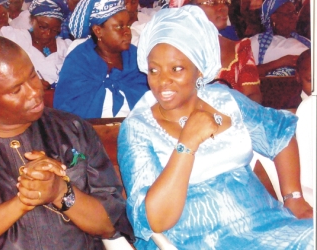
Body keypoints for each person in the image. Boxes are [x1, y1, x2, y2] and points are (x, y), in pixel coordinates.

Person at [117, 6, 313, 249]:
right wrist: (187, 144)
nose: (162, 81)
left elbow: (279, 133)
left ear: (199, 68)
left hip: (265, 224)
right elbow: (154, 220)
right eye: (154, 70)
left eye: (176, 68)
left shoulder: (225, 100)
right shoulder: (138, 128)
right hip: (197, 239)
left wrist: (293, 197)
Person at [0, 34, 134, 249]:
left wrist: (60, 192)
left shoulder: (73, 131)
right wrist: (24, 201)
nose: (34, 92)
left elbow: (109, 224)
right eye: (16, 90)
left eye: (32, 76)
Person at [54, 0, 149, 118]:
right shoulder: (79, 61)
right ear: (98, 31)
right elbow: (67, 113)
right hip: (89, 133)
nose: (127, 32)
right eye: (120, 26)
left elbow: (151, 104)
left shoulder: (135, 58)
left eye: (128, 25)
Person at [189, 0, 262, 103]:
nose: (223, 8)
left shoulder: (240, 49)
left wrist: (230, 115)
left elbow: (253, 95)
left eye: (226, 2)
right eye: (213, 2)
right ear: (190, 7)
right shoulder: (177, 50)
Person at [0, 0, 72, 89]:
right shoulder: (15, 38)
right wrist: (29, 80)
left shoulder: (66, 47)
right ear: (32, 20)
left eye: (54, 30)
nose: (48, 33)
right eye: (43, 27)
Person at [250, 0, 310, 77]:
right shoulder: (257, 42)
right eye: (289, 13)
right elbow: (244, 74)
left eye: (295, 12)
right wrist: (281, 62)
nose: (295, 17)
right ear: (274, 17)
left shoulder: (307, 42)